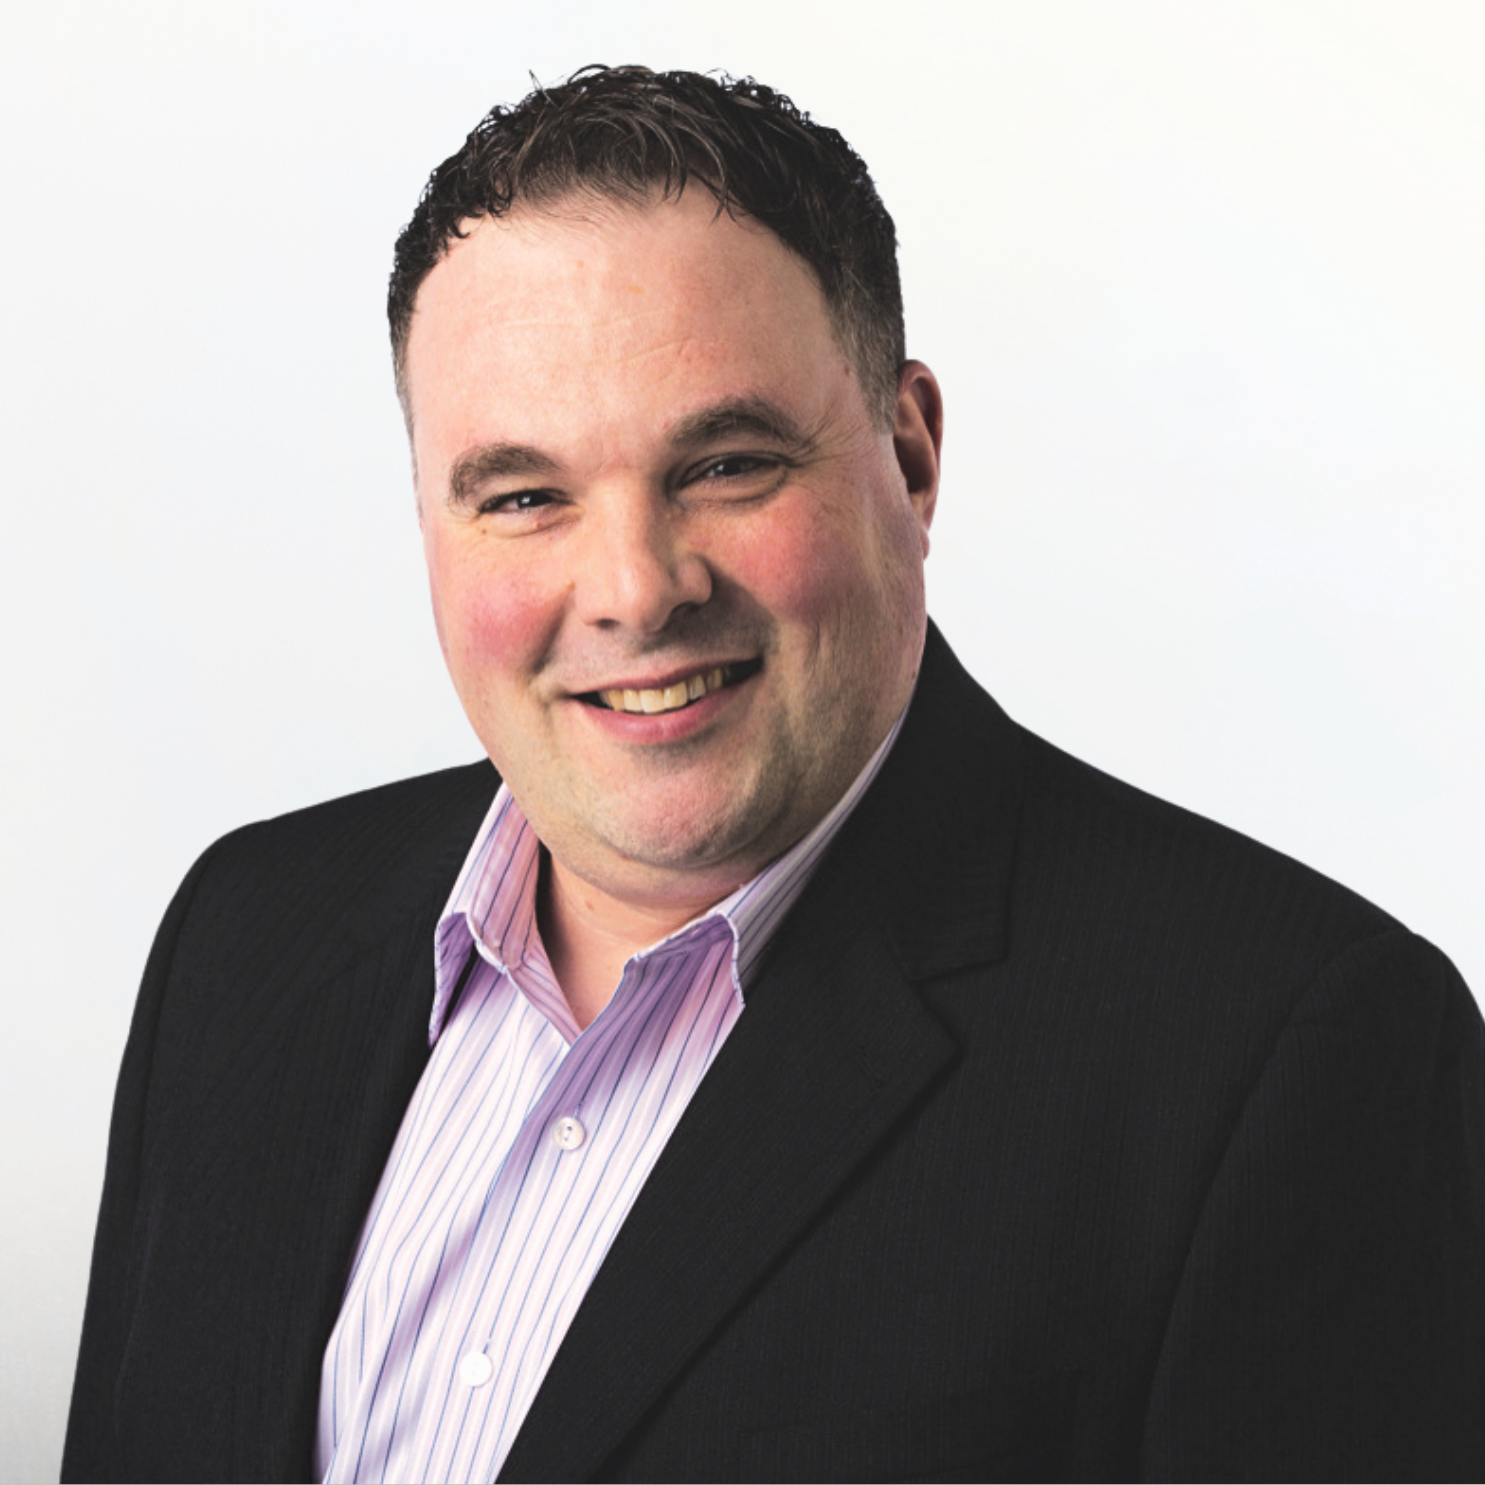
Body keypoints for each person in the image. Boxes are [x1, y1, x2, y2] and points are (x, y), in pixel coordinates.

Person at [63, 65, 1485, 1483]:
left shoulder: (1288, 1053)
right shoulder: (244, 940)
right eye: (525, 496)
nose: (632, 588)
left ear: (912, 456)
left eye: (727, 465)